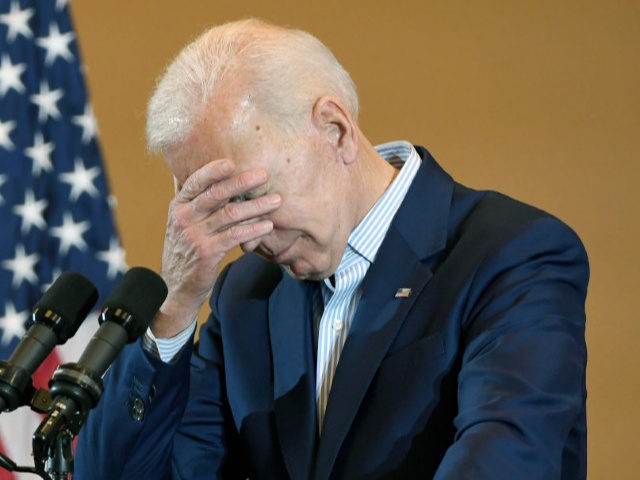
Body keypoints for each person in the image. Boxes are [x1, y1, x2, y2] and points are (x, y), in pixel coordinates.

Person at [74, 18, 589, 480]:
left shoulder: (513, 256)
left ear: (334, 130)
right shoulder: (246, 296)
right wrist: (176, 307)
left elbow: (503, 461)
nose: (247, 238)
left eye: (248, 197)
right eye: (215, 209)